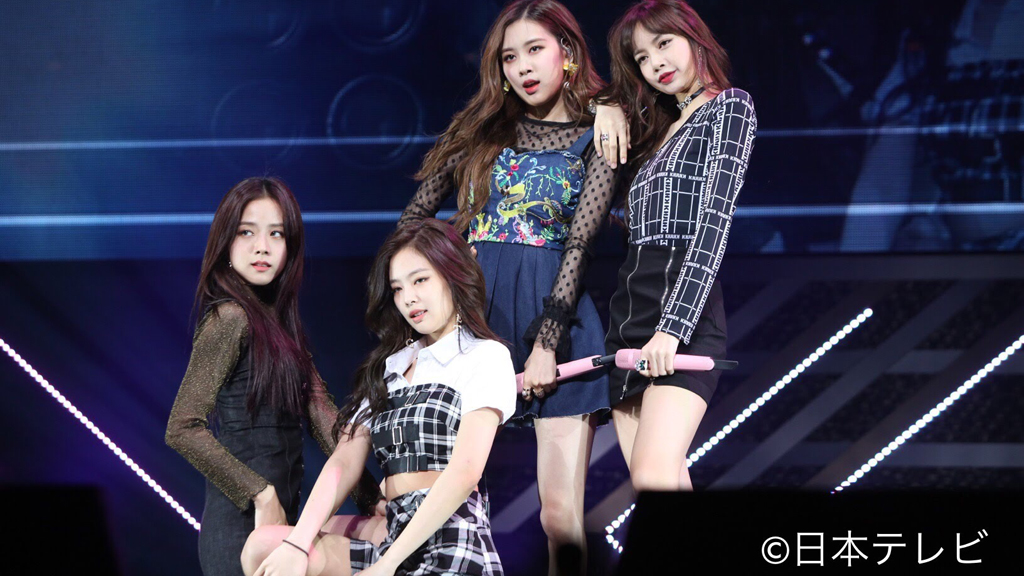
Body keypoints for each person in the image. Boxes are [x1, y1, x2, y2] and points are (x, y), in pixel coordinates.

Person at [399, 2, 627, 570]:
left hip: (556, 318)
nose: (523, 66)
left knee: (559, 516)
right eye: (509, 57)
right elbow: (413, 223)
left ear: (566, 53)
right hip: (474, 321)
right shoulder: (482, 131)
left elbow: (580, 243)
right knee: (430, 497)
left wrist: (548, 342)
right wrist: (445, 262)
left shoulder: (596, 134)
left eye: (535, 50)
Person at [241, 218, 516, 576]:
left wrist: (387, 564)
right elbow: (344, 461)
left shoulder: (484, 356)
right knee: (266, 545)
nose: (408, 298)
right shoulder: (392, 367)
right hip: (393, 532)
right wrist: (297, 544)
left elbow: (464, 474)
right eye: (397, 288)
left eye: (420, 280)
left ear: (453, 276)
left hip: (451, 538)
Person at [167, 177, 384, 575]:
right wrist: (260, 493)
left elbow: (322, 417)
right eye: (246, 232)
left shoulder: (283, 327)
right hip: (240, 529)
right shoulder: (229, 317)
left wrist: (372, 498)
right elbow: (182, 427)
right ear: (225, 242)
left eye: (276, 234)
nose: (262, 246)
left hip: (282, 526)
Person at [600, 0, 757, 492]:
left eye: (663, 43)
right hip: (629, 309)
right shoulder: (656, 132)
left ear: (693, 36)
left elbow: (714, 222)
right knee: (658, 481)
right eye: (642, 58)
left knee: (653, 474)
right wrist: (604, 104)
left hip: (683, 307)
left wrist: (673, 328)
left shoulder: (730, 106)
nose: (655, 63)